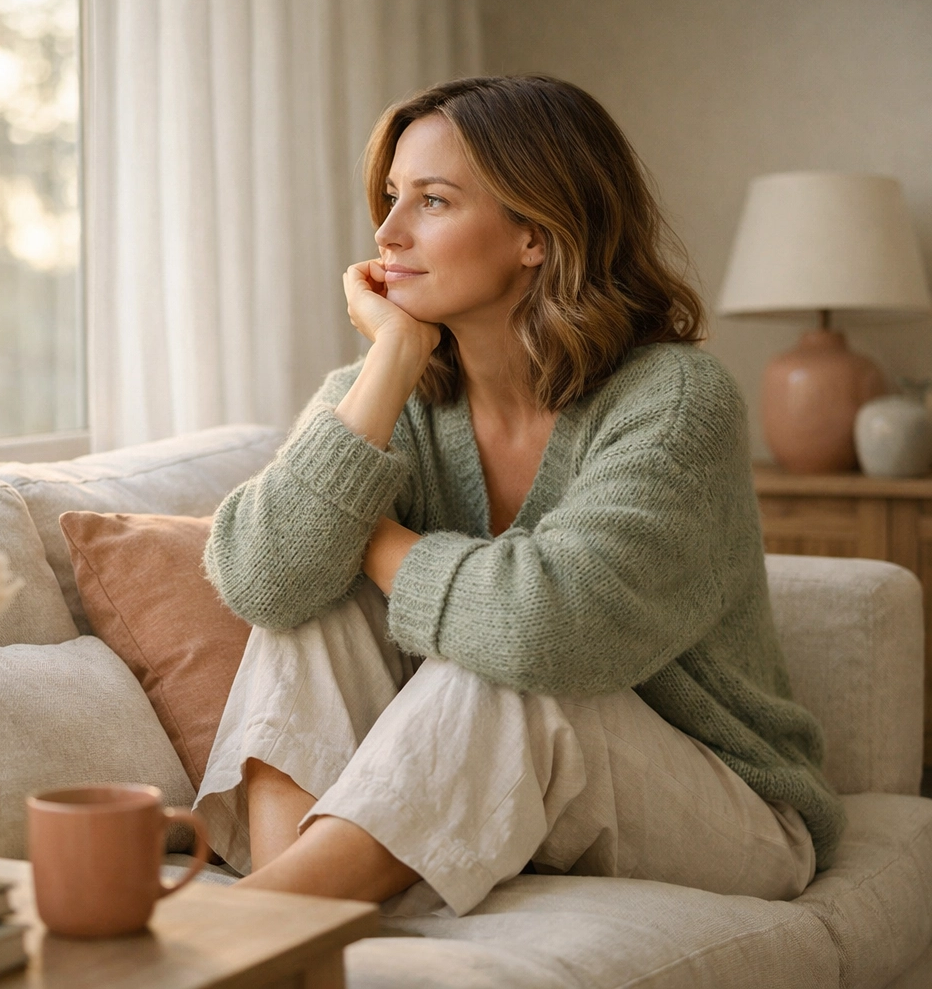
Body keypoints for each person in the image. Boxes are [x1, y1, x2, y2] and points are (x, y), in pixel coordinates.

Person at [191, 75, 844, 917]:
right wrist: (390, 358)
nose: (387, 234)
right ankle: (295, 924)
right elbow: (262, 581)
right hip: (504, 783)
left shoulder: (674, 402)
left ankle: (248, 927)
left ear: (535, 232)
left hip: (727, 803)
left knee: (504, 665)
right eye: (390, 199)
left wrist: (373, 540)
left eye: (431, 201)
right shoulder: (391, 390)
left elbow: (548, 630)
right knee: (308, 606)